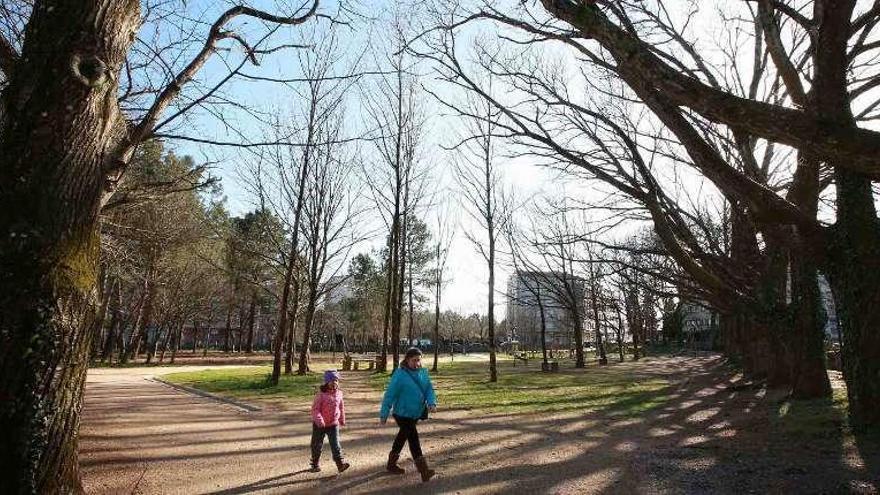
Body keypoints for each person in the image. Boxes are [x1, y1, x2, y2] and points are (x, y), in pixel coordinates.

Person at [379, 347, 438, 482]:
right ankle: (424, 471)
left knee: (402, 436)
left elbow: (429, 389)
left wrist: (432, 403)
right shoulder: (399, 375)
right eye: (414, 360)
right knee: (413, 438)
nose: (417, 363)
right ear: (407, 360)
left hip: (415, 413)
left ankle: (391, 464)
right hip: (402, 413)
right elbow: (389, 395)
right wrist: (384, 414)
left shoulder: (423, 373)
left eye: (418, 360)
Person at [309, 370, 350, 473]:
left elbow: (341, 407)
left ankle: (340, 464)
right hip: (320, 425)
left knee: (335, 444)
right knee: (316, 444)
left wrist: (342, 419)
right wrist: (319, 420)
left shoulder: (339, 393)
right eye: (332, 380)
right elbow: (315, 409)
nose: (334, 383)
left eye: (336, 380)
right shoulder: (321, 395)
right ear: (326, 382)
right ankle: (315, 464)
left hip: (333, 424)